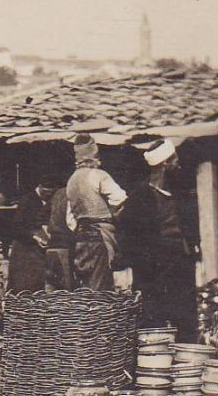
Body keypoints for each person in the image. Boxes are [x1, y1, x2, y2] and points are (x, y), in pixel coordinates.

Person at [118, 138, 200, 338]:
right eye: (174, 160)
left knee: (185, 319)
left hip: (180, 265)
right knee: (154, 319)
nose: (178, 164)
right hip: (154, 271)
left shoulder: (179, 192)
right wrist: (148, 262)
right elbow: (130, 238)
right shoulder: (140, 197)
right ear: (164, 164)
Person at [64, 135, 128, 292]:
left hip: (80, 236)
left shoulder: (71, 180)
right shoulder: (98, 175)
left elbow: (70, 219)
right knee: (102, 283)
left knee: (86, 282)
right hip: (101, 235)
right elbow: (119, 198)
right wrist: (114, 215)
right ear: (95, 156)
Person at [6, 178, 59, 296]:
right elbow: (17, 228)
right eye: (47, 191)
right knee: (23, 285)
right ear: (40, 187)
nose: (49, 195)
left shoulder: (47, 201)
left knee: (36, 284)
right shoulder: (27, 200)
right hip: (23, 250)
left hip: (37, 250)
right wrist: (35, 237)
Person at [44, 179, 74, 290]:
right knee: (66, 285)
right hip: (65, 244)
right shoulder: (71, 194)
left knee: (51, 284)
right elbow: (71, 222)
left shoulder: (57, 194)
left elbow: (44, 215)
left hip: (52, 243)